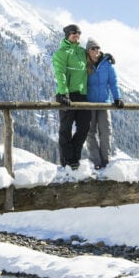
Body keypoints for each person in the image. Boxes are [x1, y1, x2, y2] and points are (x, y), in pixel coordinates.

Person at [52, 24, 91, 170]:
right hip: (66, 94)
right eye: (73, 32)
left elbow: (95, 57)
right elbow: (60, 73)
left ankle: (74, 156)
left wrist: (106, 57)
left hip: (82, 94)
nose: (76, 35)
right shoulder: (61, 52)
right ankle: (68, 161)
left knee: (84, 127)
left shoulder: (82, 52)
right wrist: (64, 93)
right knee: (65, 129)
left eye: (79, 33)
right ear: (67, 34)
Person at [85, 36, 124, 170]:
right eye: (92, 48)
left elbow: (113, 82)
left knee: (106, 131)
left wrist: (117, 98)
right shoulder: (84, 64)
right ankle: (96, 161)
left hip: (104, 103)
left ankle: (106, 161)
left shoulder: (107, 64)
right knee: (89, 132)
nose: (96, 51)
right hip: (89, 104)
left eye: (97, 48)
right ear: (88, 51)